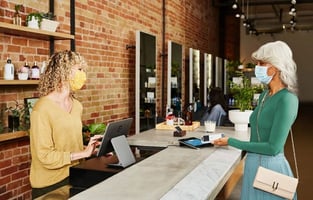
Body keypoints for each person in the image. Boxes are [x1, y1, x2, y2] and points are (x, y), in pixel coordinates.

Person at [214, 41, 298, 199]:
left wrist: (231, 142)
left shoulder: (287, 100)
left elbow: (273, 147)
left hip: (271, 170)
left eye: (261, 63)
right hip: (253, 165)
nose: (257, 67)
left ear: (274, 67)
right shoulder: (265, 95)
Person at [29, 50, 102, 199]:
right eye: (79, 69)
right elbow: (44, 156)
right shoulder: (41, 109)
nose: (83, 75)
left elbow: (68, 147)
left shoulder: (76, 106)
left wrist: (90, 150)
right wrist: (82, 154)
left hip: (76, 174)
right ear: (63, 72)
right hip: (51, 184)